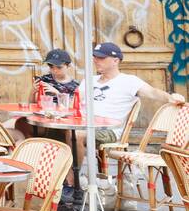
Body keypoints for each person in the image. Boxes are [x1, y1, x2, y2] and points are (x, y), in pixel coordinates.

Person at [79, 42, 185, 170]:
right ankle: (58, 181)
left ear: (115, 60)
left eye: (101, 58)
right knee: (55, 132)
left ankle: (73, 182)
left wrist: (170, 97)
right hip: (82, 125)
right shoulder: (89, 80)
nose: (96, 60)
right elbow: (75, 102)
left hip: (108, 131)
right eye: (95, 57)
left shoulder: (128, 81)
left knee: (76, 135)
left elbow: (152, 92)